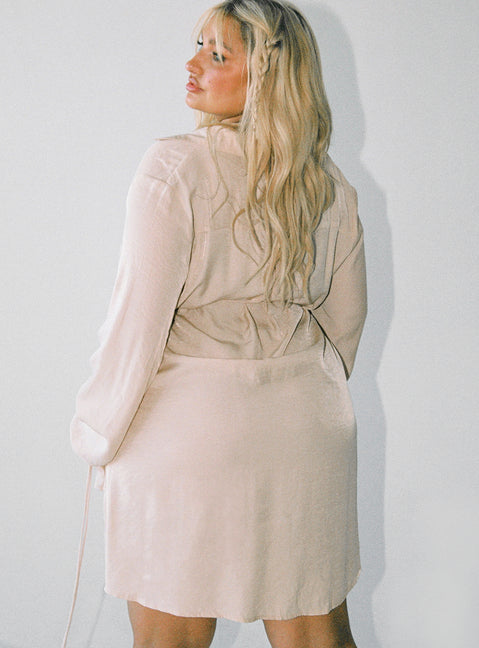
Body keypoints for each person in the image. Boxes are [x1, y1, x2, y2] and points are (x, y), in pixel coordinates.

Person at [66, 1, 367, 647]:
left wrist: (97, 428)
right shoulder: (329, 183)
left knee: (170, 637)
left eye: (218, 54)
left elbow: (138, 320)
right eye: (199, 45)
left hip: (193, 433)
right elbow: (344, 322)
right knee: (316, 635)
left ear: (266, 76)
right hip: (306, 429)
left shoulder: (175, 166)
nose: (193, 63)